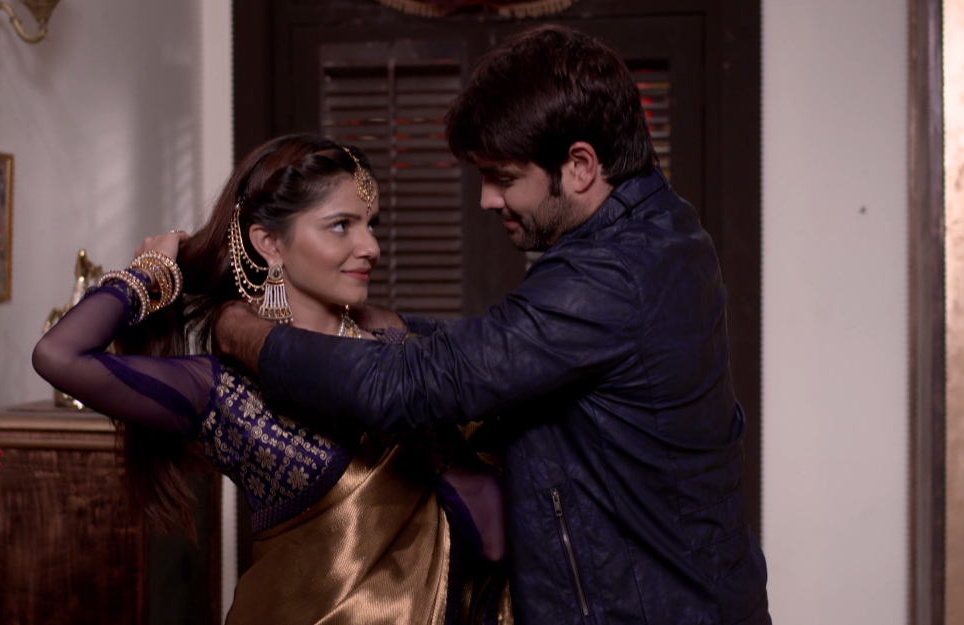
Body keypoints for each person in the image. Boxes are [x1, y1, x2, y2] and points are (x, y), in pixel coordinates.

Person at [215, 25, 770, 625]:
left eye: (503, 177)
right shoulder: (662, 232)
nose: (486, 200)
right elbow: (515, 342)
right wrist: (393, 322)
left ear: (579, 166)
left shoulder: (612, 275)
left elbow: (401, 387)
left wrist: (239, 330)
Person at [32, 134, 509, 625]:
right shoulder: (223, 391)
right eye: (341, 226)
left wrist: (421, 423)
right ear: (270, 243)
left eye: (371, 225)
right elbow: (59, 356)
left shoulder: (395, 349)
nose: (371, 247)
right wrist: (151, 273)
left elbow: (491, 537)